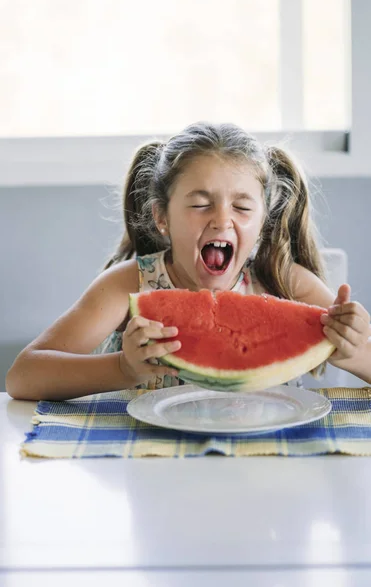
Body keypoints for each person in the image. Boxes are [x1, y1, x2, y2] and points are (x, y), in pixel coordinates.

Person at [6, 122, 371, 401]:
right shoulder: (131, 284)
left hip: (266, 469)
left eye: (242, 207)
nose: (222, 220)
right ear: (161, 217)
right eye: (200, 204)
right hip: (155, 468)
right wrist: (121, 368)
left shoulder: (283, 281)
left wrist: (354, 352)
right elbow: (22, 377)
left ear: (262, 222)